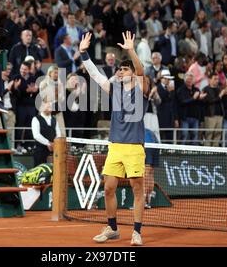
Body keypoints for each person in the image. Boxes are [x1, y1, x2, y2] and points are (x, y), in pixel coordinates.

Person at [78, 31, 149, 246]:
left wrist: (130, 50)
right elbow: (95, 75)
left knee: (137, 190)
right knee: (108, 188)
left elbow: (141, 70)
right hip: (115, 147)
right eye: (119, 69)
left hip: (134, 148)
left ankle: (137, 232)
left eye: (124, 68)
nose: (120, 71)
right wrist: (83, 53)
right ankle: (113, 228)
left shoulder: (140, 88)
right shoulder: (115, 89)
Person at [176, 72, 206, 145]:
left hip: (195, 117)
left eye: (191, 79)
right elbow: (182, 102)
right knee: (184, 135)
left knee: (195, 135)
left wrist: (201, 99)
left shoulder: (196, 89)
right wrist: (193, 98)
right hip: (185, 117)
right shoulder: (181, 90)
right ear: (185, 80)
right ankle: (181, 152)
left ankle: (193, 153)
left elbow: (200, 104)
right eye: (188, 79)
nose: (189, 81)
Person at [31, 100, 61, 166]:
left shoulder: (54, 120)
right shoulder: (36, 119)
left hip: (53, 150)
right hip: (40, 151)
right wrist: (48, 143)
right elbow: (36, 135)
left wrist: (54, 144)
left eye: (50, 106)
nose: (49, 107)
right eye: (47, 106)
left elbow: (58, 134)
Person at [202, 73, 224, 147]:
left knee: (218, 134)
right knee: (209, 134)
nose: (217, 81)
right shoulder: (206, 89)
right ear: (209, 80)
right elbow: (210, 101)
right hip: (210, 115)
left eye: (218, 79)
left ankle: (215, 150)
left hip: (219, 115)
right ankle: (207, 150)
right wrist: (220, 96)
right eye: (215, 79)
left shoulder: (219, 89)